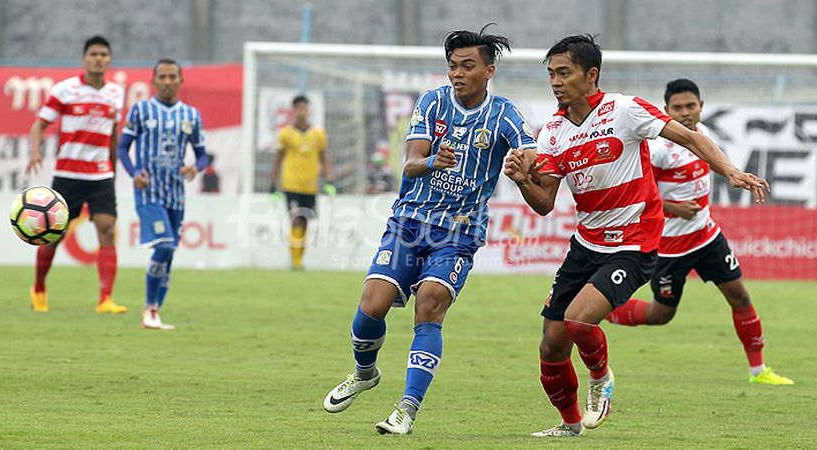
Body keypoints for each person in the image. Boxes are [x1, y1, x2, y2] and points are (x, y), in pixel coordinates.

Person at [503, 35, 769, 437]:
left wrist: (729, 170)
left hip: (633, 243)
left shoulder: (624, 110)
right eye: (551, 74)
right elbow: (544, 203)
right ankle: (570, 426)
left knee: (578, 321)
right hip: (586, 244)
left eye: (564, 72)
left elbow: (690, 137)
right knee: (551, 345)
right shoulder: (552, 132)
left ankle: (601, 378)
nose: (556, 82)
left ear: (590, 75)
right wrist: (523, 180)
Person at [322, 24, 537, 435]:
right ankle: (364, 373)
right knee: (371, 306)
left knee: (431, 304)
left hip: (459, 232)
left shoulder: (504, 113)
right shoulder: (432, 103)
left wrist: (522, 164)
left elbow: (527, 151)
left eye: (467, 66)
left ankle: (407, 407)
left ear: (488, 71)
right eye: (453, 66)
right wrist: (434, 160)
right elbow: (411, 162)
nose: (457, 73)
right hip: (409, 223)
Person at [604, 79, 793, 385]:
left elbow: (714, 160)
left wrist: (735, 174)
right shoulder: (659, 149)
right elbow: (635, 192)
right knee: (661, 314)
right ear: (665, 111)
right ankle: (605, 310)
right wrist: (671, 207)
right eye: (677, 108)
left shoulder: (702, 134)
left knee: (740, 296)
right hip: (669, 247)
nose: (685, 113)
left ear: (701, 107)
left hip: (706, 236)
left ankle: (758, 371)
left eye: (690, 106)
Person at [25, 35, 127, 314]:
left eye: (103, 55)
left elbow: (113, 135)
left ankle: (105, 299)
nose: (99, 59)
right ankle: (39, 289)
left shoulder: (116, 93)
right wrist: (35, 151)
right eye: (94, 54)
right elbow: (39, 125)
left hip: (100, 176)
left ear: (109, 59)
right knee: (54, 235)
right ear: (85, 58)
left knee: (106, 228)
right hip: (68, 174)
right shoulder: (65, 90)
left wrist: (113, 169)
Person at [116, 59, 208, 330]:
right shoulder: (141, 110)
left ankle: (155, 312)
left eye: (172, 77)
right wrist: (134, 173)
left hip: (176, 195)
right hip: (149, 193)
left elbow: (202, 155)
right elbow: (122, 149)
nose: (168, 82)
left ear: (181, 81)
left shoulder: (191, 115)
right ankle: (149, 308)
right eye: (163, 77)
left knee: (169, 253)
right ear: (154, 81)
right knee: (164, 245)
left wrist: (195, 167)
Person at [268, 95, 335, 271]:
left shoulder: (318, 134)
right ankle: (295, 261)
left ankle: (299, 258)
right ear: (293, 110)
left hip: (310, 185)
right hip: (291, 184)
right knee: (296, 219)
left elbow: (324, 157)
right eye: (298, 108)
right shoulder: (285, 134)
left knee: (306, 221)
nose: (301, 111)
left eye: (304, 107)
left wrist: (329, 180)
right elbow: (278, 158)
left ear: (309, 109)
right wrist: (272, 183)